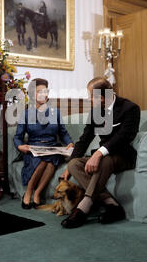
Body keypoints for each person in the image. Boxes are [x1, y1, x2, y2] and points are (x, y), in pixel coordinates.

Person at [60, 77, 140, 228]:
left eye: (90, 96)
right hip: (104, 156)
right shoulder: (96, 111)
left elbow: (123, 137)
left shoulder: (130, 108)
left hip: (123, 155)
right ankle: (111, 204)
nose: (89, 99)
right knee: (74, 164)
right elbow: (84, 139)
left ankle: (83, 208)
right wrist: (68, 167)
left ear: (101, 98)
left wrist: (98, 154)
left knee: (104, 160)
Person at [14, 78, 74, 209]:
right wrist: (20, 146)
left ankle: (37, 193)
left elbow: (63, 133)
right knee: (44, 160)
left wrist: (70, 143)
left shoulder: (55, 113)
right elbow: (17, 137)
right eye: (39, 91)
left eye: (45, 91)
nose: (43, 94)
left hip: (52, 147)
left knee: (51, 158)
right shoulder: (26, 114)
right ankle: (29, 192)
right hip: (34, 148)